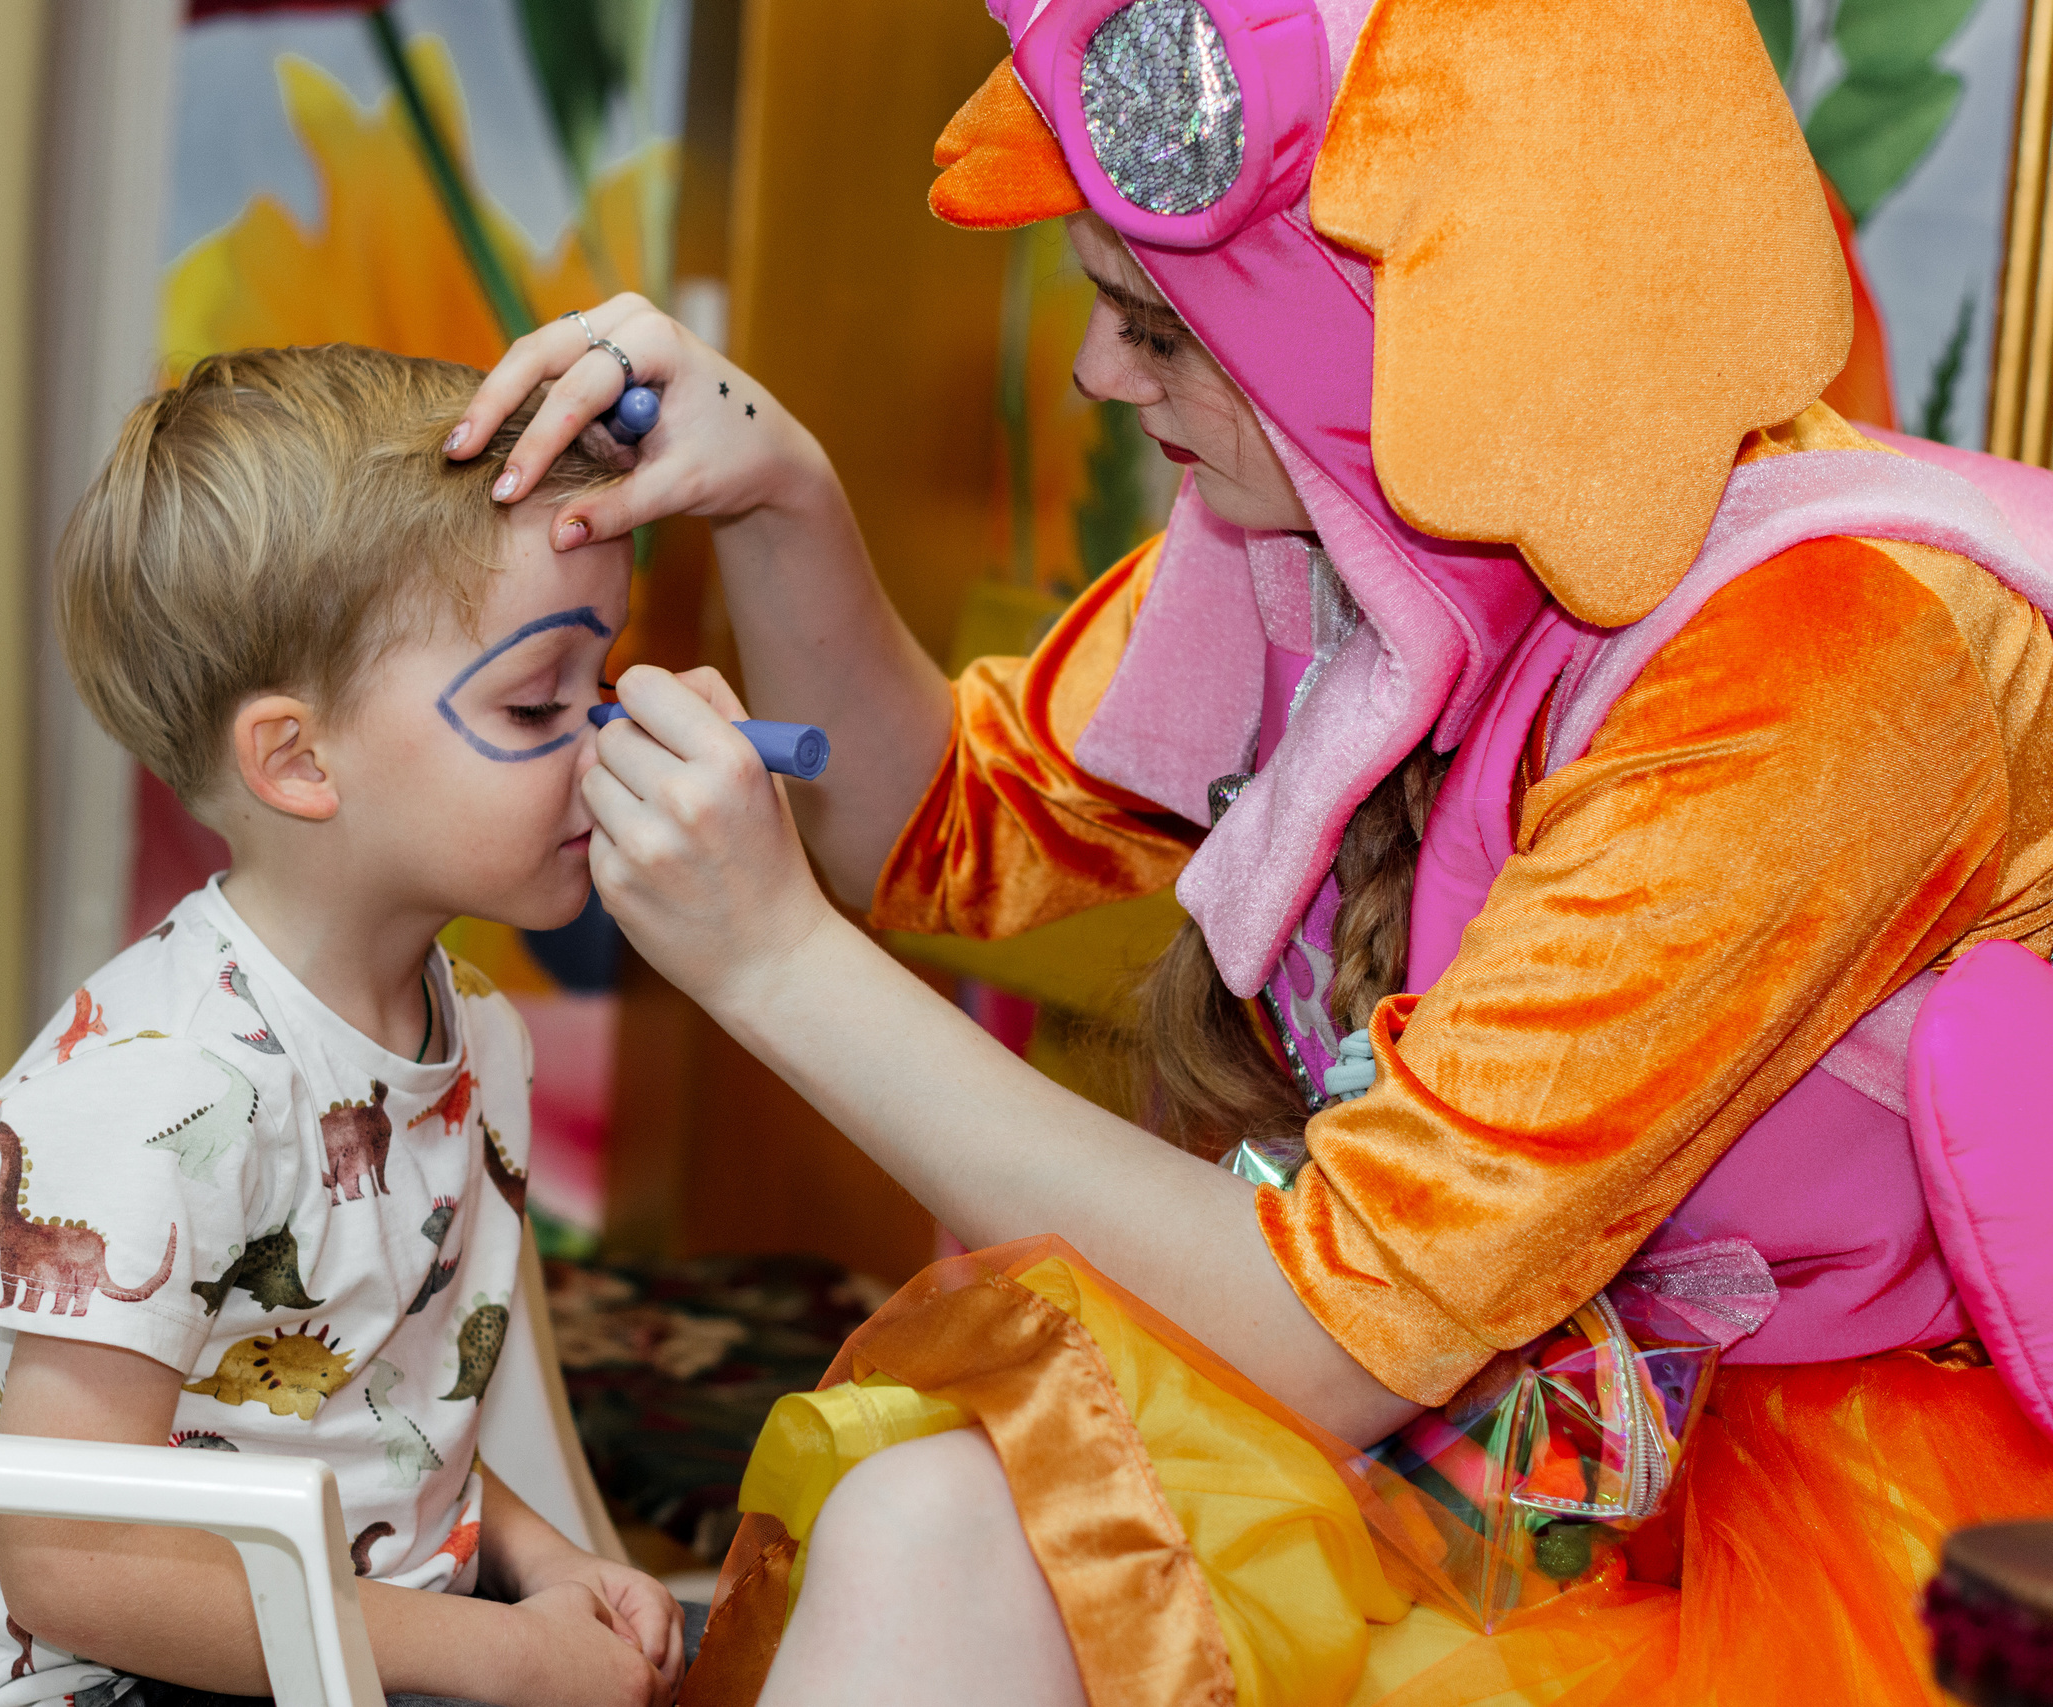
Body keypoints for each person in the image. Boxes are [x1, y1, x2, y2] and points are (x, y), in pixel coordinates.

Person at [444, 0, 2053, 1700]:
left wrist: (768, 960)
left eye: (1162, 323)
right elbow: (953, 831)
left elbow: (1341, 1333)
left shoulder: (1835, 660)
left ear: (1415, 324)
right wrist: (779, 498)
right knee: (931, 1528)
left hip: (1799, 1530)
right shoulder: (1363, 529)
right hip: (1503, 1449)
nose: (1095, 372)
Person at [0, 345, 688, 1707]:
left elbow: (370, 1411)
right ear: (298, 759)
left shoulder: (478, 1044)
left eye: (605, 684)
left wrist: (540, 1560)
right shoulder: (158, 1101)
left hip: (376, 1643)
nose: (607, 743)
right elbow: (70, 1568)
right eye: (537, 704)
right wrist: (499, 1656)